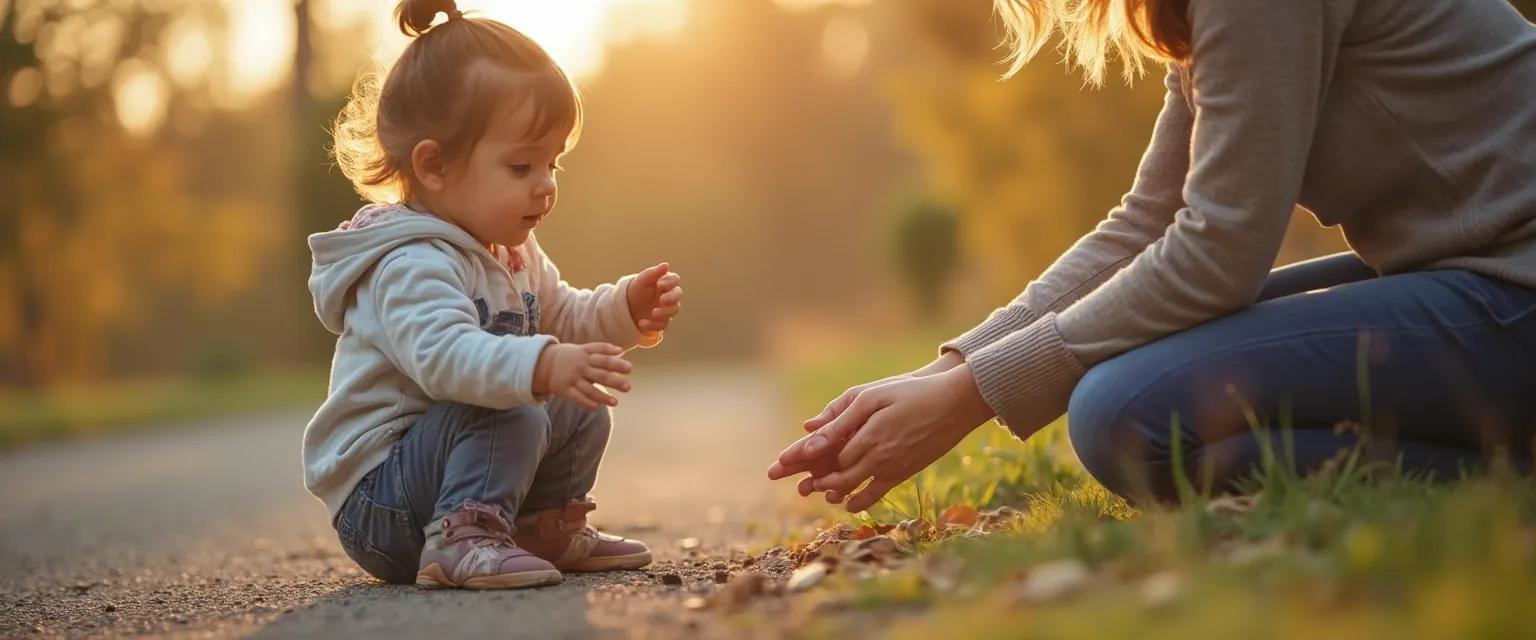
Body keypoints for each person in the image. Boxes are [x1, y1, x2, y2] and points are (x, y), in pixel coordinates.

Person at [771, 0, 1536, 509]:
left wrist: (971, 397)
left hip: (1513, 285)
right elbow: (1149, 220)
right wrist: (945, 371)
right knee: (1133, 396)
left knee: (1128, 413)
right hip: (1466, 274)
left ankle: (1507, 480)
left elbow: (1221, 249)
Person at [305, 0, 684, 589]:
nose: (546, 185)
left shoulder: (512, 250)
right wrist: (540, 364)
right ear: (434, 165)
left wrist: (623, 309)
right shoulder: (410, 262)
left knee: (580, 400)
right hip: (384, 503)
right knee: (514, 398)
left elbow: (562, 317)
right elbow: (446, 359)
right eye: (521, 166)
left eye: (552, 164)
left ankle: (541, 527)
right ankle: (461, 539)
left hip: (445, 472)